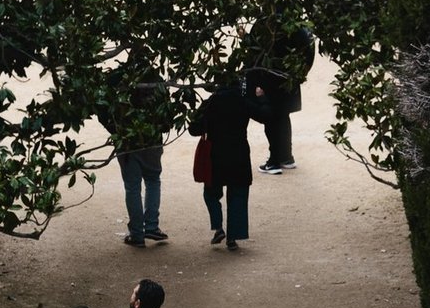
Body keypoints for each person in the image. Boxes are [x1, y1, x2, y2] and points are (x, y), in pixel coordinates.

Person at [187, 74, 269, 251]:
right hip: (239, 153)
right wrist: (261, 97)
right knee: (238, 194)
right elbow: (265, 115)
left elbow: (193, 129)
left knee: (211, 193)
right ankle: (233, 237)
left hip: (215, 154)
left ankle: (218, 227)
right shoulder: (243, 101)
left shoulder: (211, 102)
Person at [101, 66, 171, 248]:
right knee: (152, 181)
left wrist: (115, 129)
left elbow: (102, 105)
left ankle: (137, 234)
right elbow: (167, 116)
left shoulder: (119, 79)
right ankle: (151, 226)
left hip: (127, 142)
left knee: (133, 187)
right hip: (152, 141)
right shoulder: (157, 81)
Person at [244, 19, 316, 174]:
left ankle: (274, 161)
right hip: (289, 78)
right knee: (282, 116)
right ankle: (286, 157)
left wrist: (244, 37)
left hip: (270, 77)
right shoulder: (297, 23)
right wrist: (300, 74)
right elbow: (309, 50)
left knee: (271, 119)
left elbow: (255, 51)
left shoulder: (266, 22)